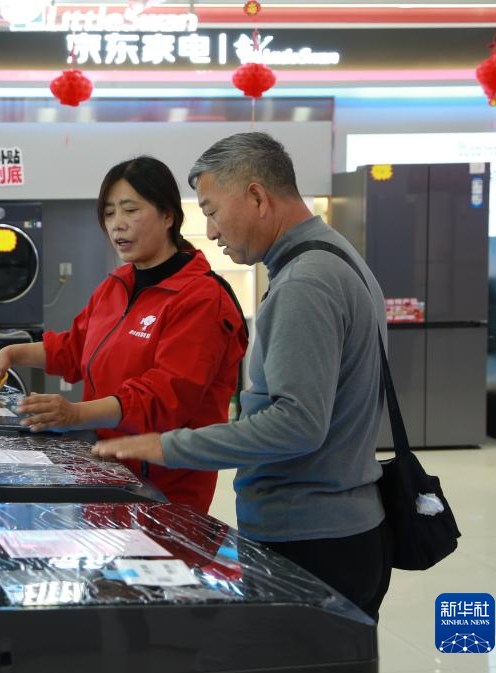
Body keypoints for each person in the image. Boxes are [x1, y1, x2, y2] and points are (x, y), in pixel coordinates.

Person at [91, 132, 392, 621]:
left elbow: (296, 425)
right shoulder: (335, 256)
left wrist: (165, 445)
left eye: (212, 211)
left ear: (257, 196)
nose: (210, 232)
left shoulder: (305, 282)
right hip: (338, 528)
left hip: (311, 539)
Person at [0, 156, 248, 514]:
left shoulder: (201, 298)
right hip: (104, 477)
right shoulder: (116, 285)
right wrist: (12, 353)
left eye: (130, 210)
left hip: (164, 495)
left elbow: (164, 398)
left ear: (168, 215)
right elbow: (75, 348)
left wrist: (75, 414)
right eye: (109, 213)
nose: (117, 224)